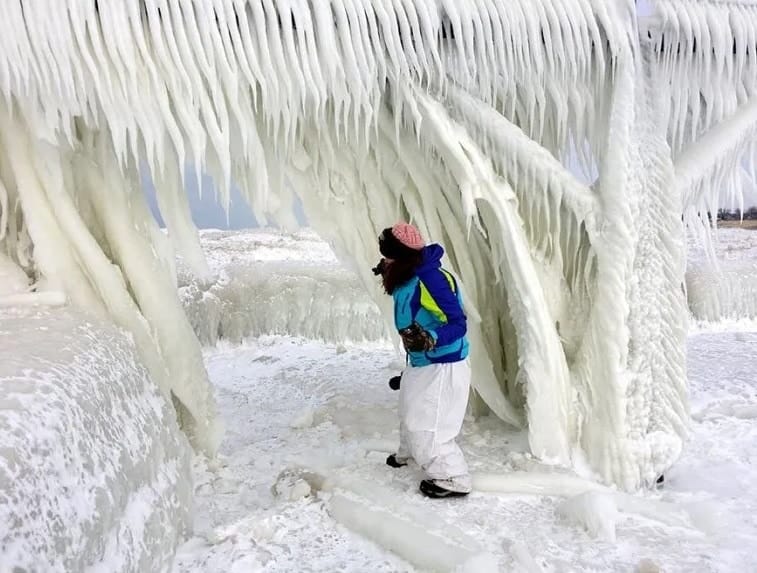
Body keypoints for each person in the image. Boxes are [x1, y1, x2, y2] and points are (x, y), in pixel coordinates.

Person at [374, 223, 472, 499]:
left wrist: (429, 338)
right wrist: (389, 270)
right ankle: (408, 454)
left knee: (427, 426)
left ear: (402, 255)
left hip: (443, 363)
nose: (385, 259)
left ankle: (452, 477)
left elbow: (459, 324)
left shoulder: (430, 279)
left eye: (388, 254)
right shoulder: (406, 273)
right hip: (421, 361)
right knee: (408, 412)